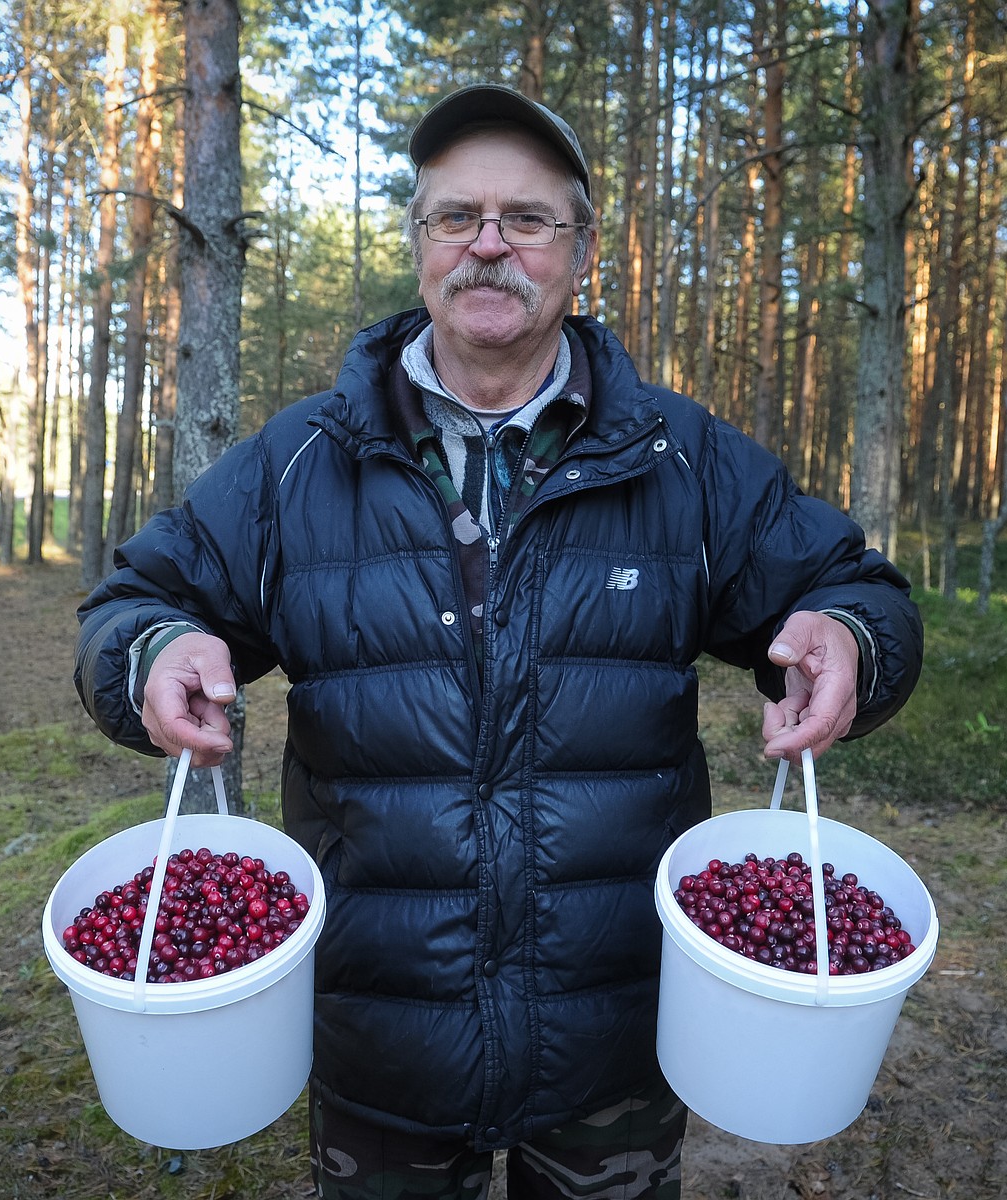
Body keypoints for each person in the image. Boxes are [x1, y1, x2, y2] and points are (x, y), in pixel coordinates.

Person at [75, 84, 923, 1200]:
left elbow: (855, 589)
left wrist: (850, 634)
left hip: (614, 1043)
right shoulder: (298, 465)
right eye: (454, 217)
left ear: (578, 250)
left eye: (526, 219)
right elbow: (131, 603)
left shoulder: (682, 459)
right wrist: (156, 652)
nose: (489, 245)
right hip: (378, 1045)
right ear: (419, 245)